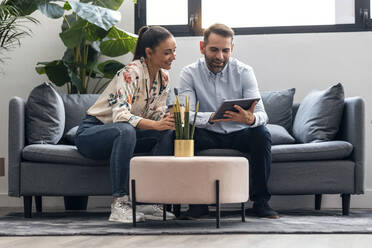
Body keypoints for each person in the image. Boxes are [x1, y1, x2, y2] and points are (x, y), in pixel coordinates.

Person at [75, 26, 177, 223]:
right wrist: (155, 125)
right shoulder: (130, 72)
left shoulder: (164, 77)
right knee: (125, 130)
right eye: (167, 52)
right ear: (149, 52)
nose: (173, 56)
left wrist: (167, 120)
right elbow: (121, 116)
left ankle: (150, 201)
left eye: (174, 51)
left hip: (126, 133)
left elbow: (156, 115)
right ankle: (119, 204)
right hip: (92, 133)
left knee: (166, 132)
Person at [178, 23, 279, 219]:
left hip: (239, 133)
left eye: (225, 50)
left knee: (262, 134)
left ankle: (261, 203)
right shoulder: (189, 73)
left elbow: (263, 115)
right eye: (214, 50)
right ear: (202, 47)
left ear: (232, 49)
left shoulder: (244, 72)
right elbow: (185, 115)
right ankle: (197, 205)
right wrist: (214, 117)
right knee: (180, 135)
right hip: (206, 133)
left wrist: (250, 119)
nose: (220, 57)